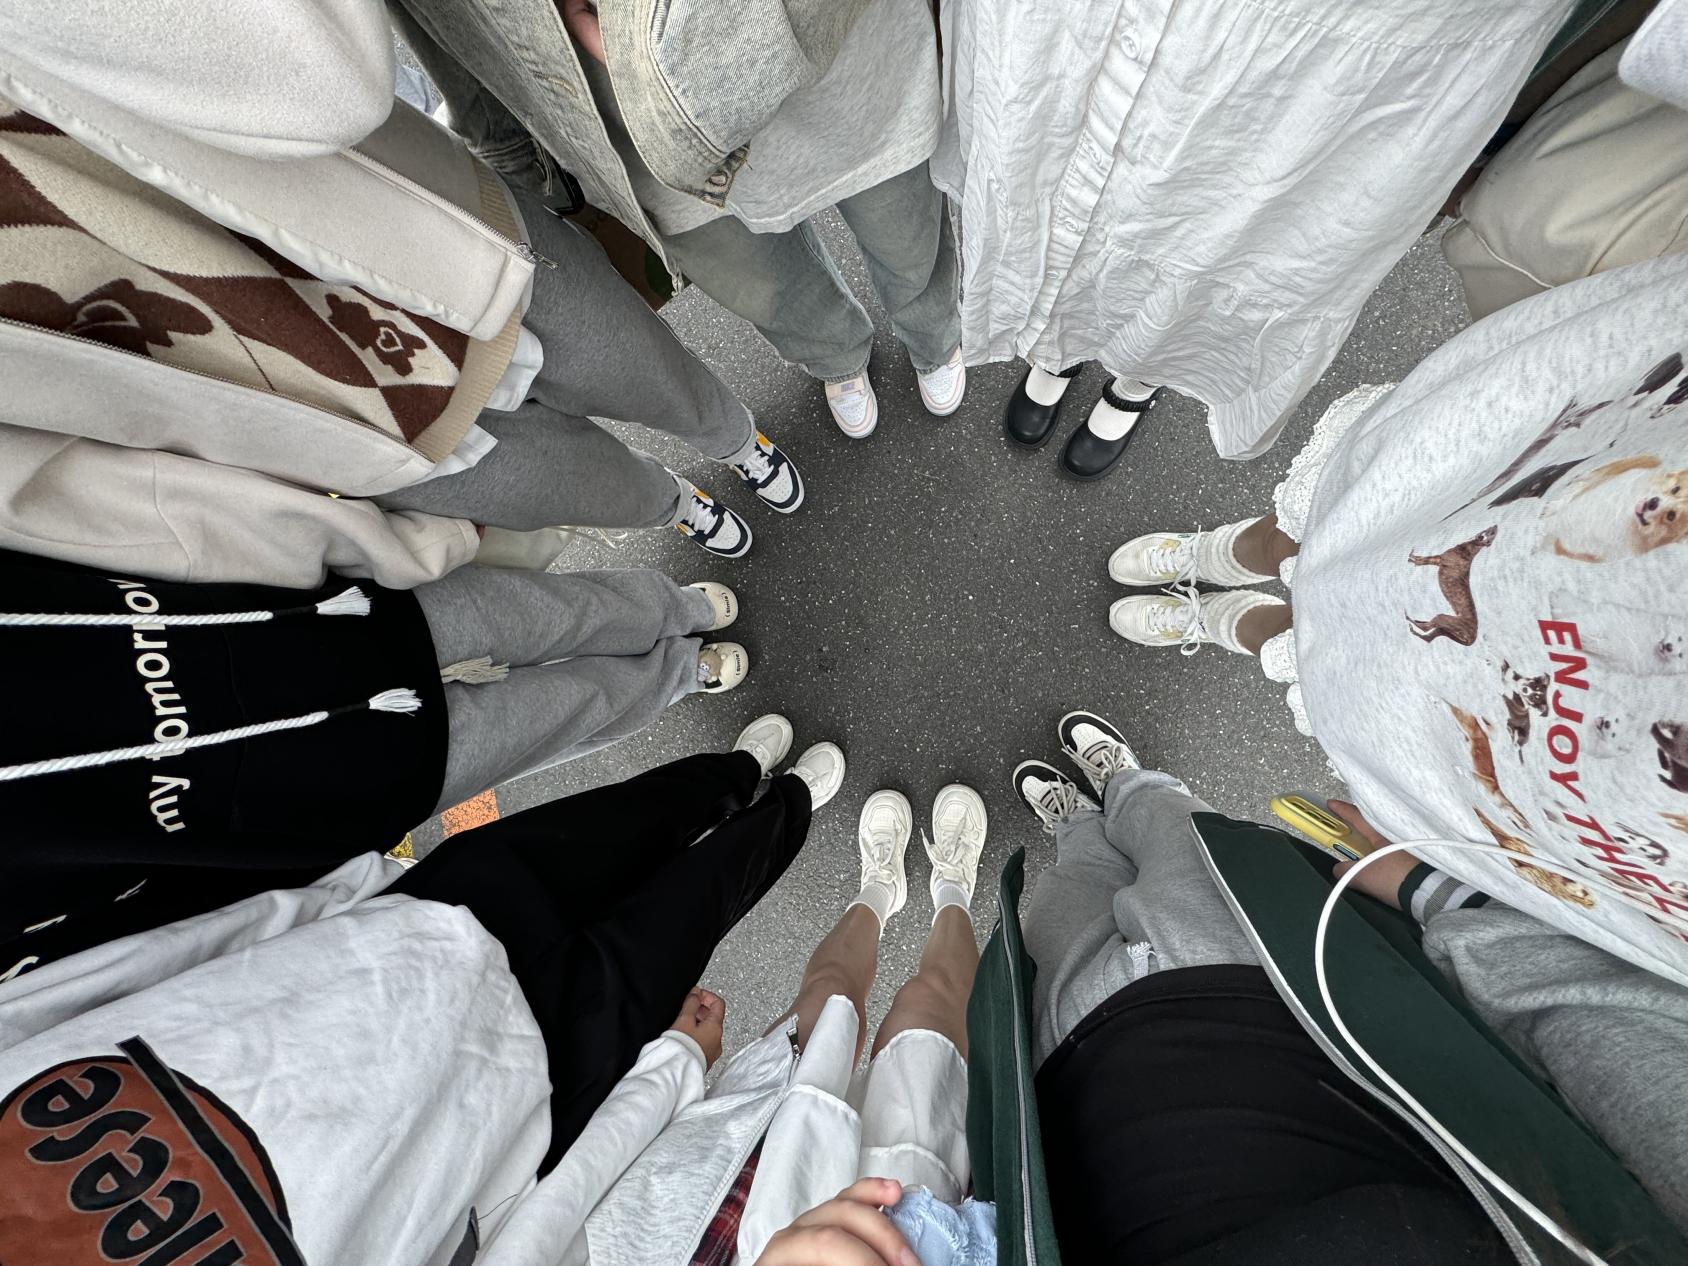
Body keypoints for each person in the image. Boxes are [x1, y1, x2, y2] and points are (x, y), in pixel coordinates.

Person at [0, 0, 801, 585]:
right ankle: (673, 504)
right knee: (583, 485)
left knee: (641, 366)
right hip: (301, 417)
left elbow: (326, 80)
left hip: (407, 216)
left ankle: (736, 440)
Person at [0, 726, 847, 1265]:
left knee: (632, 816)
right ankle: (788, 805)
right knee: (703, 897)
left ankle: (737, 771)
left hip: (399, 939)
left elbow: (138, 967)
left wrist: (340, 893)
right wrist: (665, 1074)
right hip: (530, 1095)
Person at [1101, 241, 1688, 987]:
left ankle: (1224, 622)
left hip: (1545, 776)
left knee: (1352, 664)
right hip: (1597, 539)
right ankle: (1222, 554)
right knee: (1361, 532)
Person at [999, 709, 1688, 1259]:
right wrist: (1429, 892)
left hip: (1068, 1074)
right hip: (1265, 996)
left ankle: (1080, 824)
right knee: (1179, 833)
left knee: (1072, 884)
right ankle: (1126, 785)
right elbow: (1615, 1040)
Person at [0, 547, 756, 969]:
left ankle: (673, 608)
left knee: (535, 612)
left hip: (279, 618)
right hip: (302, 797)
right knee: (557, 716)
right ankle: (676, 673)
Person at [935, 0, 1576, 464]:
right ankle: (1061, 350)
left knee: (1230, 234)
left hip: (1343, 54)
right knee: (1083, 201)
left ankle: (1137, 384)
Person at [388, 0, 966, 439]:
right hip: (622, 105)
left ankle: (932, 333)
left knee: (902, 222)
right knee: (755, 278)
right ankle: (834, 353)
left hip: (824, 32)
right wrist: (506, 142)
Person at [487, 779, 993, 1264]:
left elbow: (567, 1194)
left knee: (830, 995)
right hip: (897, 1229)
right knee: (932, 1010)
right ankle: (953, 891)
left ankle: (880, 892)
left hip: (706, 1179)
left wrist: (678, 1059)